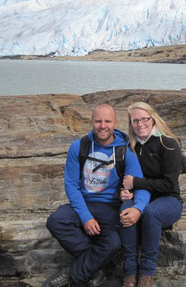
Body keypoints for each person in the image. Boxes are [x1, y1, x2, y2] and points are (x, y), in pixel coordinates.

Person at [44, 104, 150, 287]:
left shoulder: (125, 151)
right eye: (98, 121)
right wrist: (86, 217)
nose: (103, 125)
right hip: (84, 204)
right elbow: (70, 185)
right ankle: (97, 265)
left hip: (111, 207)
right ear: (91, 122)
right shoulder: (79, 146)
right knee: (56, 221)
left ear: (115, 123)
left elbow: (141, 185)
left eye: (107, 121)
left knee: (115, 242)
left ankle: (74, 274)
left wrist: (138, 208)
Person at [119, 102, 183, 287]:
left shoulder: (168, 144)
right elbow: (123, 178)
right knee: (125, 212)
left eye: (144, 119)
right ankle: (129, 274)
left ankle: (147, 276)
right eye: (135, 121)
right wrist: (123, 192)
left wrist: (136, 183)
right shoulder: (130, 148)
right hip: (138, 198)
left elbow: (169, 184)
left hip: (168, 200)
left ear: (153, 119)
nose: (140, 124)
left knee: (150, 213)